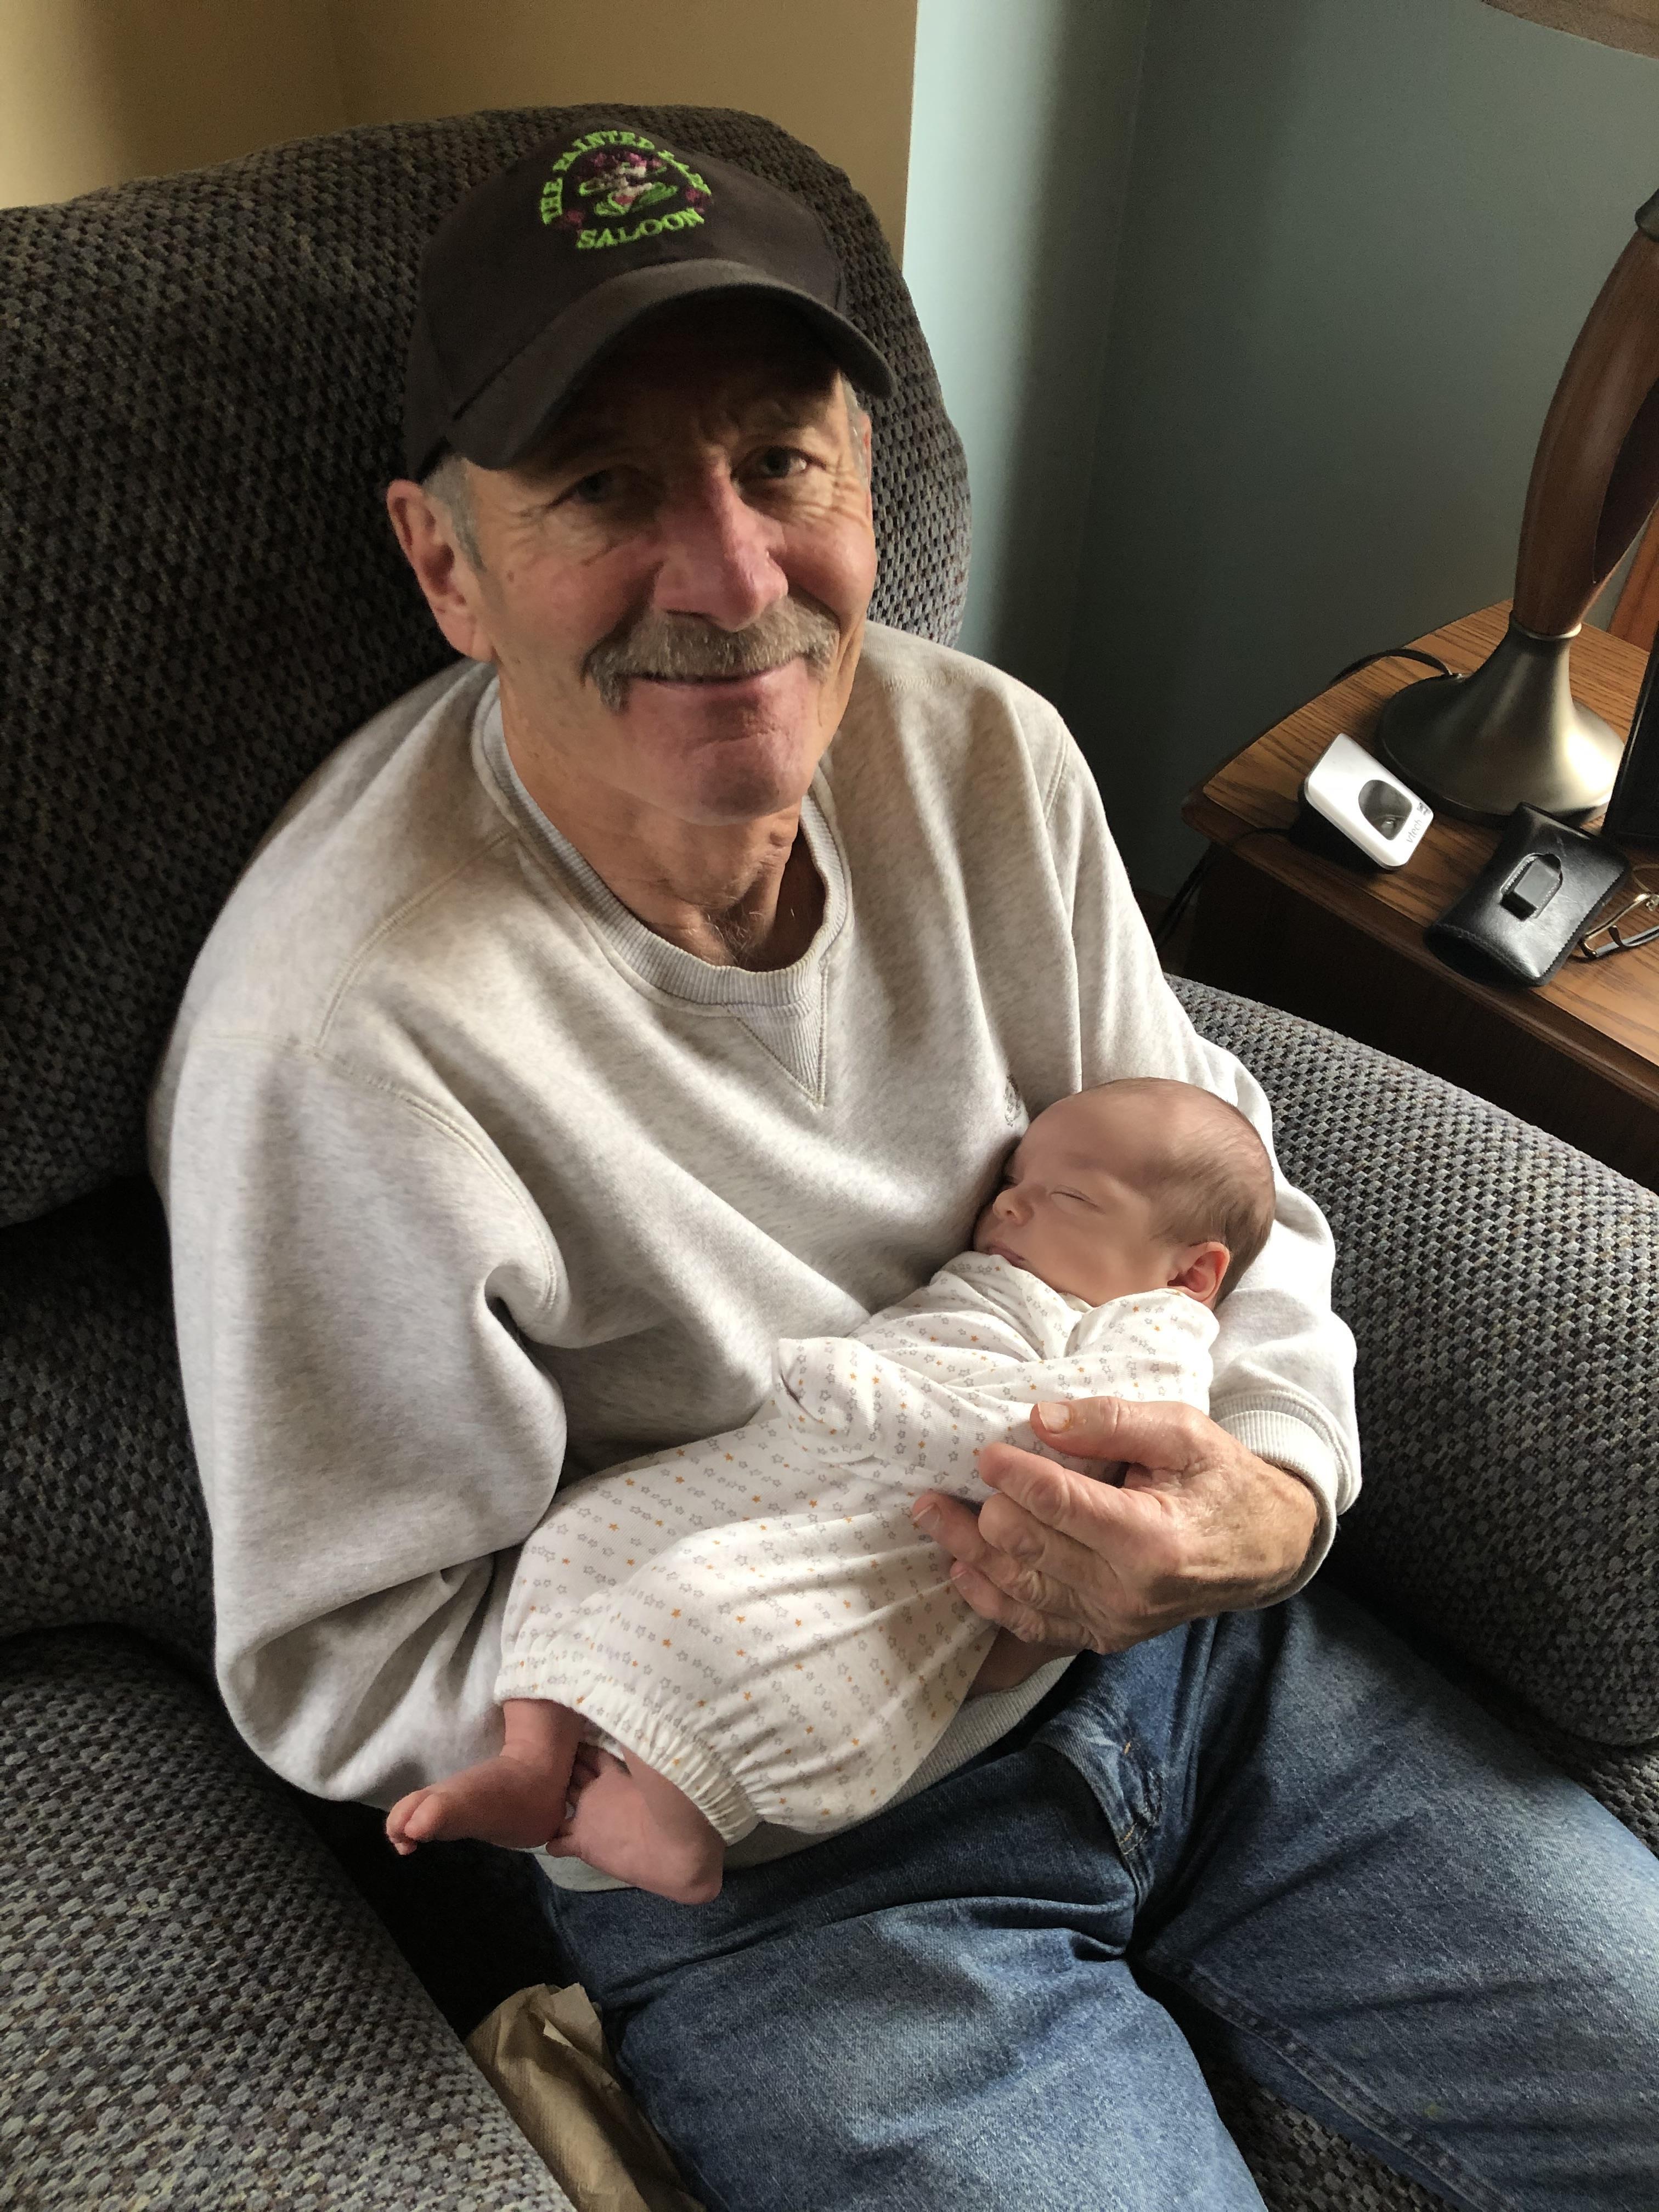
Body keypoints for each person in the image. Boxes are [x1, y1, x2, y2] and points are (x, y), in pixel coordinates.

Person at [150, 123, 1659, 2210]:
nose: (730, 578)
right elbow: (340, 1653)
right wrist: (742, 1674)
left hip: (1212, 1680)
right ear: (444, 563)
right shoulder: (345, 1043)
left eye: (780, 462)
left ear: (866, 487)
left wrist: (1266, 1508)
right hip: (801, 1863)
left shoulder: (984, 759)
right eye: (603, 486)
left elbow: (1233, 1204)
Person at [382, 1077, 1273, 1901]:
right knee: (581, 1532)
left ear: (1188, 1273)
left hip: (897, 1538)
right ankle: (532, 1761)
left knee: (713, 1620)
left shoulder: (1149, 1332)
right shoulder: (1009, 1272)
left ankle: (678, 1833)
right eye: (1014, 1176)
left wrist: (873, 1402)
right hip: (799, 1468)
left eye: (1068, 1197)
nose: (1008, 1200)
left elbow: (1061, 1451)